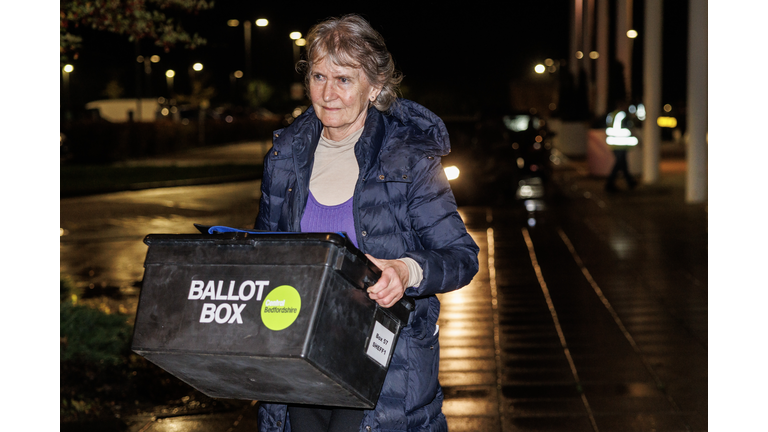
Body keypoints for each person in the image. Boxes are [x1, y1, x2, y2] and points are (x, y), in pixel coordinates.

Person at [254, 14, 480, 432]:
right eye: (318, 76)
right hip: (299, 359)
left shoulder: (409, 158)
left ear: (374, 87)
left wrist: (405, 270)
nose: (328, 92)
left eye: (343, 79)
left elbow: (461, 256)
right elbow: (267, 252)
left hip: (384, 367)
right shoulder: (283, 157)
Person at [604, 101, 638, 192]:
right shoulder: (622, 115)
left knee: (623, 163)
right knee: (619, 163)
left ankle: (629, 182)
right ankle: (609, 184)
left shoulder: (612, 115)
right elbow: (629, 128)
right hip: (621, 143)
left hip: (614, 143)